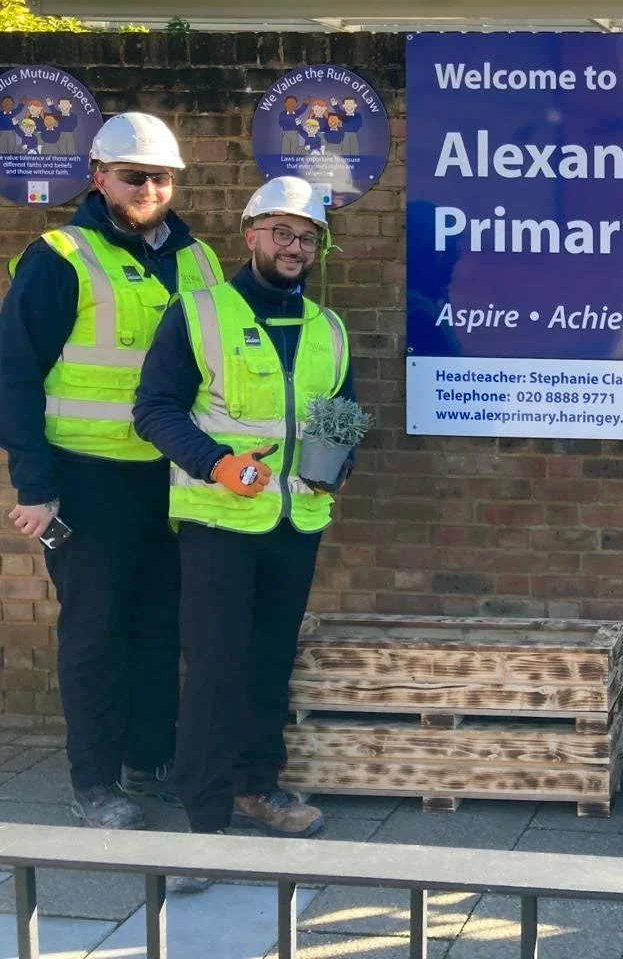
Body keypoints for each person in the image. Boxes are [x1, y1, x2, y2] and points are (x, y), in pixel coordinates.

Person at [0, 113, 223, 832]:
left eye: (162, 177)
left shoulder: (199, 261)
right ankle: (92, 782)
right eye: (135, 176)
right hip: (88, 481)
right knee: (95, 633)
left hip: (172, 477)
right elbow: (14, 373)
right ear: (98, 176)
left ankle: (148, 762)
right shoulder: (60, 256)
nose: (151, 188)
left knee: (161, 625)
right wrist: (33, 484)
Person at [133, 175, 356, 846]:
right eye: (282, 232)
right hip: (219, 524)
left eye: (307, 237)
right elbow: (155, 410)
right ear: (251, 234)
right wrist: (216, 463)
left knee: (268, 664)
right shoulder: (201, 313)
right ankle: (202, 818)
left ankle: (258, 789)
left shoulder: (330, 329)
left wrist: (334, 471)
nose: (294, 247)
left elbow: (340, 419)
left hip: (296, 526)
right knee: (214, 667)